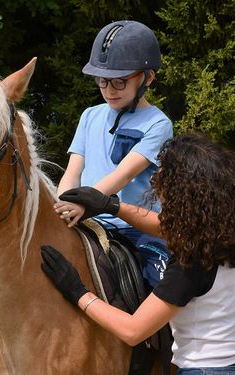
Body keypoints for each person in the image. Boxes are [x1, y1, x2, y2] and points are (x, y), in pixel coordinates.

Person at [43, 133, 235, 374]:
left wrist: (78, 292)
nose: (155, 182)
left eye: (163, 180)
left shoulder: (189, 265)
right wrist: (111, 206)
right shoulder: (231, 236)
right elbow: (171, 228)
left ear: (183, 194)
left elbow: (133, 330)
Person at [55, 20, 173, 287]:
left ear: (148, 78)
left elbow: (122, 175)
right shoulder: (89, 116)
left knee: (162, 284)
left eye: (119, 82)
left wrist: (85, 203)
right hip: (86, 221)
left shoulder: (159, 124)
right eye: (102, 81)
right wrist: (62, 204)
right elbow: (73, 171)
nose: (108, 90)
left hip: (138, 229)